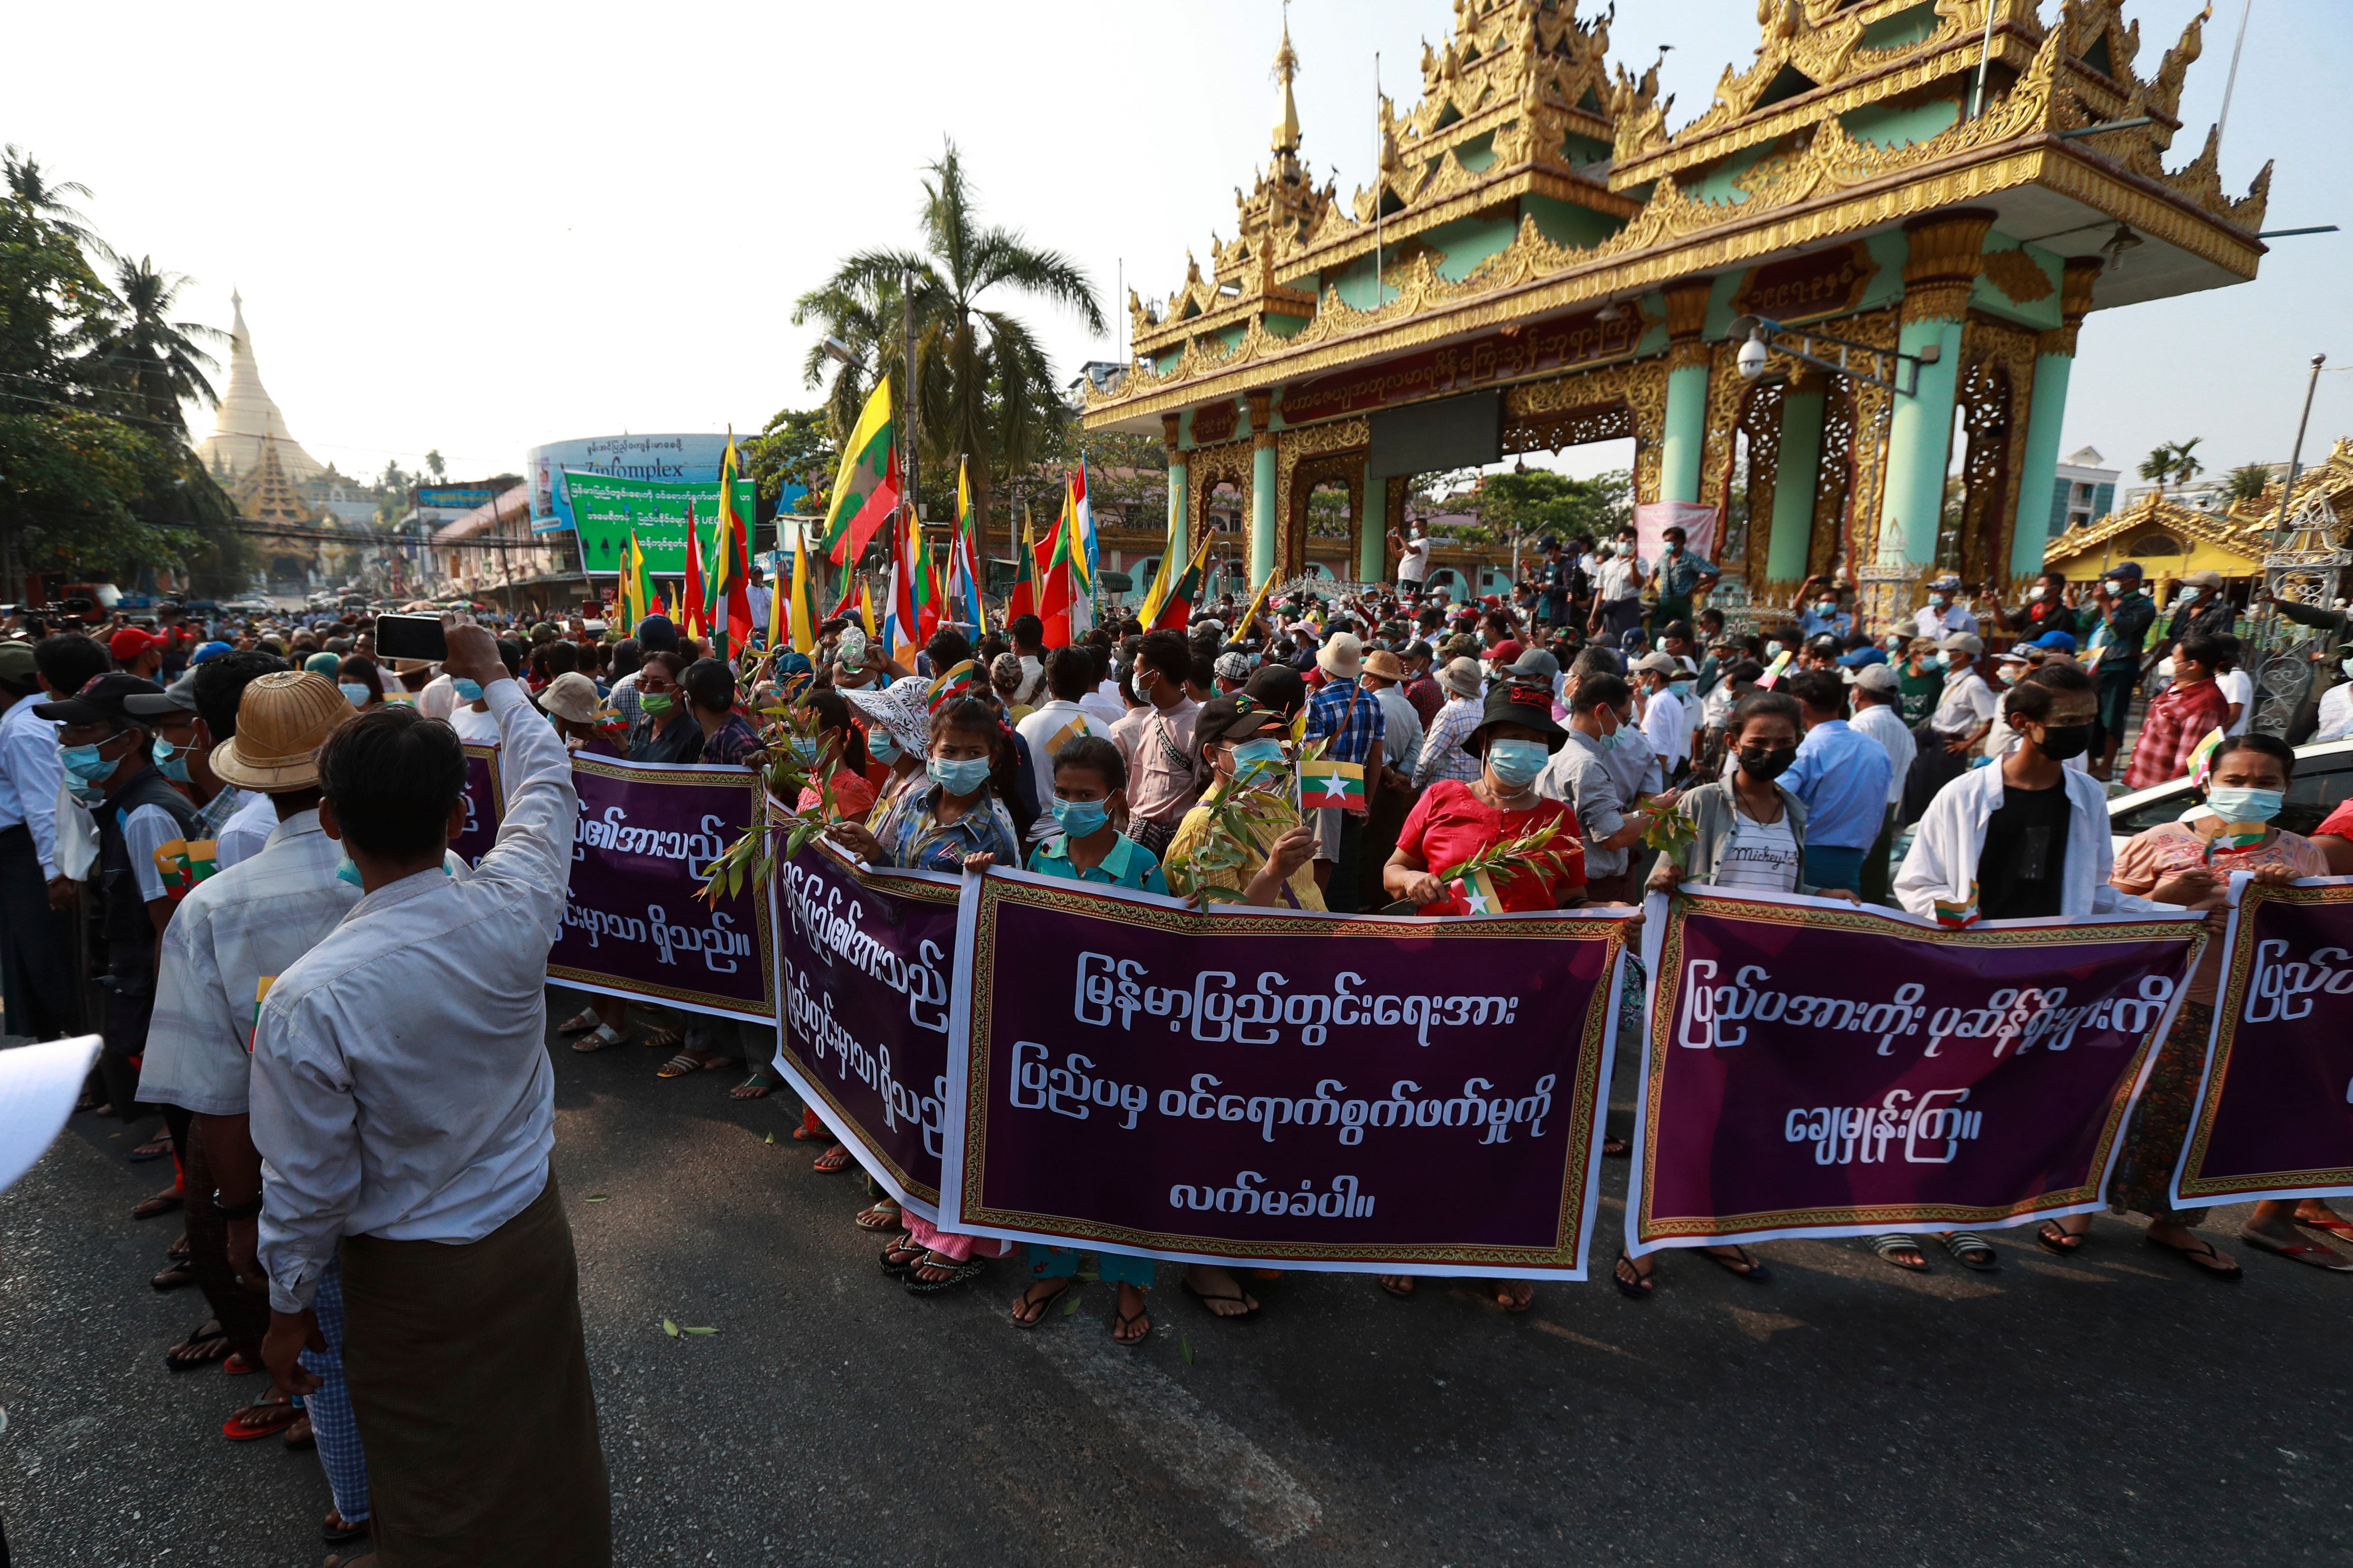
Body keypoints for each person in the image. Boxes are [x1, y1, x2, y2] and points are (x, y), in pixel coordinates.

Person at [248, 618, 607, 1564]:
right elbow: (547, 781)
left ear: (330, 818)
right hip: (530, 1236)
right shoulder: (515, 904)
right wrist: (494, 677)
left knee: (436, 1482)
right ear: (456, 817)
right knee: (548, 1449)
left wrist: (286, 1309)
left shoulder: (309, 999)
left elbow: (307, 1182)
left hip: (412, 1278)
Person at [141, 671, 374, 1522]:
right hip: (432, 1182)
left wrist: (242, 1218)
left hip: (299, 1186)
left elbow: (221, 1099)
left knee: (324, 1351)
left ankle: (356, 1508)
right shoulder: (435, 866)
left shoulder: (211, 910)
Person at [2088, 732, 2338, 1277]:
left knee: (2200, 1121)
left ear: (2285, 788)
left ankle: (2172, 1222)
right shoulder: (2159, 839)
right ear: (2208, 782)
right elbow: (2103, 920)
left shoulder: (2303, 853)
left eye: (2265, 783)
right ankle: (2076, 1211)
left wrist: (2291, 895)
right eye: (2236, 780)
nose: (2249, 791)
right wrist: (2167, 902)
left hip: (2242, 1016)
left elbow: (2321, 943)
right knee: (2115, 1105)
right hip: (2150, 1004)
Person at [1627, 690, 1844, 1296]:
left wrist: (1828, 901)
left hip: (1763, 994)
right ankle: (1642, 1240)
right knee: (1675, 1112)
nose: (1772, 750)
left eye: (1784, 741)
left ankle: (1713, 1227)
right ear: (1732, 742)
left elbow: (1789, 893)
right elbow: (1660, 885)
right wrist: (1667, 876)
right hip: (1698, 986)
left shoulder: (1796, 811)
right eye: (1760, 740)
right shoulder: (1700, 802)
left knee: (1739, 1117)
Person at [1378, 676, 1585, 1309]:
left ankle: (1501, 1250)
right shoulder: (1440, 799)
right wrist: (1411, 884)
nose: (1519, 751)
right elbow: (1393, 869)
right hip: (1434, 998)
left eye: (1532, 742)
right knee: (1426, 1121)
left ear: (1545, 752)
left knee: (1504, 1128)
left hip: (1523, 1007)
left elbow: (1574, 904)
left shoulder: (1556, 820)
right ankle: (1409, 1241)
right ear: (1485, 743)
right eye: (1508, 739)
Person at [824, 695, 1025, 1293]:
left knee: (953, 1104)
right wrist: (871, 850)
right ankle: (915, 1203)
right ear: (930, 752)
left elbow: (1005, 914)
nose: (958, 762)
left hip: (959, 989)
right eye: (947, 752)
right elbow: (898, 871)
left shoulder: (996, 826)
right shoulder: (911, 799)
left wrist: (985, 883)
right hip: (902, 976)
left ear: (992, 758)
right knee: (907, 1089)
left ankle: (956, 1236)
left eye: (971, 753)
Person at [1008, 735, 1169, 1344]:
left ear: (1115, 799)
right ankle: (1052, 1267)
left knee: (1124, 1160)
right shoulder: (1041, 857)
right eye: (1065, 793)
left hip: (1122, 1044)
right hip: (1053, 1041)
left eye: (1087, 795)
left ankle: (1130, 1280)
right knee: (1053, 1151)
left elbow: (1163, 955)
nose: (1073, 804)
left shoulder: (1142, 867)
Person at [37, 672, 201, 1121]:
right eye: (64, 732)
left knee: (184, 1113)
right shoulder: (121, 806)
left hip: (156, 996)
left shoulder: (147, 814)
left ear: (130, 740)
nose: (67, 744)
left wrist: (166, 1021)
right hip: (139, 986)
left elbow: (169, 928)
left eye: (83, 732)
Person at [0, 641, 80, 1045]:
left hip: (30, 856)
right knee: (39, 961)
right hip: (33, 853)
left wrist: (55, 873)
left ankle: (88, 1063)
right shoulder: (39, 716)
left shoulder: (20, 728)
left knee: (46, 960)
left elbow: (43, 805)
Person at [1778, 669, 1895, 893]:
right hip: (1853, 857)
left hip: (1806, 854)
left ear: (1799, 706)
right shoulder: (1875, 750)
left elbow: (1776, 799)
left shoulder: (1806, 750)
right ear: (1842, 700)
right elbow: (1879, 811)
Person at [1302, 632, 1384, 913]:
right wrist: (1365, 802)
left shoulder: (1317, 701)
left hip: (1325, 795)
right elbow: (1376, 759)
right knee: (1347, 866)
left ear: (1325, 669)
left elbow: (1316, 753)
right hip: (1357, 797)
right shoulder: (1373, 703)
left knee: (1322, 863)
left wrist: (1343, 794)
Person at [1107, 629, 1201, 858]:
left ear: (1154, 676)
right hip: (1139, 837)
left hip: (1175, 846)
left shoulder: (1197, 727)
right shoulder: (1150, 720)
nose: (1133, 676)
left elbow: (1204, 796)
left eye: (1137, 670)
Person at [1014, 647, 1114, 834]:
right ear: (1086, 686)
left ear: (1049, 684)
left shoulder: (1026, 726)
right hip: (1085, 833)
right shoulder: (1100, 729)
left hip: (1035, 835)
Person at [1844, 663, 1915, 906]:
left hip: (1859, 811)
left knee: (1852, 881)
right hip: (1886, 812)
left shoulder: (1859, 727)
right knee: (1873, 880)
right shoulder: (1903, 730)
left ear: (1859, 692)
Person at [2124, 634, 2232, 791]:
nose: (2169, 661)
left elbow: (2188, 761)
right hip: (2140, 781)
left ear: (2192, 665)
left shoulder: (2206, 704)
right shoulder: (2176, 687)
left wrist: (2168, 796)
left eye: (2173, 656)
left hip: (2157, 793)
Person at [2085, 562, 2157, 779]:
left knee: (2112, 717)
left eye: (2117, 580)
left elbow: (2120, 628)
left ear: (2132, 582)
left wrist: (2107, 605)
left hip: (2120, 665)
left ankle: (2106, 767)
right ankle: (2089, 763)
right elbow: (2082, 622)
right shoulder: (2106, 601)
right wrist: (2097, 604)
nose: (2111, 584)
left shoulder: (2143, 605)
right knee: (2089, 715)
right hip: (2095, 663)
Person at [1412, 656, 1485, 789]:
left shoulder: (1450, 712)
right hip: (1470, 791)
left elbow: (1428, 760)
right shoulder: (1480, 712)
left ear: (1450, 688)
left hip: (1445, 791)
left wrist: (1415, 783)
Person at [625, 651, 699, 764]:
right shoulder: (644, 725)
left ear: (679, 689)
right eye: (642, 683)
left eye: (657, 684)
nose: (647, 689)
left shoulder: (694, 736)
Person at [1648, 525, 1719, 635]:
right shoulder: (1665, 557)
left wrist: (1693, 589)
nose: (1667, 545)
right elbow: (1655, 569)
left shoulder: (1692, 559)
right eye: (1665, 542)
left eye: (1670, 541)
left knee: (1679, 637)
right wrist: (1651, 582)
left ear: (1680, 541)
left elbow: (1716, 573)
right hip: (1664, 602)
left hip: (1681, 603)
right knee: (1658, 634)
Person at [1588, 526, 1647, 643]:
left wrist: (1633, 565)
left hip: (1628, 609)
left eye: (1630, 542)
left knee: (1626, 644)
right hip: (1609, 609)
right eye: (1622, 541)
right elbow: (1601, 591)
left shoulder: (1641, 562)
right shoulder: (1608, 564)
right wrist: (1594, 615)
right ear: (1617, 543)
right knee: (1606, 644)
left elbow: (1639, 584)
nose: (1625, 545)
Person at [2165, 568, 2236, 646]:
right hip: (2173, 656)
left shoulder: (2222, 611)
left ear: (2210, 590)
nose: (2186, 589)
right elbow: (2171, 638)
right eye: (2187, 586)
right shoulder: (2184, 608)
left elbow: (2220, 645)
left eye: (2193, 586)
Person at [1912, 574, 1979, 641]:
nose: (1934, 594)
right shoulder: (1922, 614)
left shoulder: (1965, 619)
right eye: (1933, 590)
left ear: (1953, 593)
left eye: (1939, 591)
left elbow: (1973, 646)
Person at [1388, 517, 1432, 597]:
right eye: (1413, 528)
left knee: (1409, 602)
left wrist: (1400, 537)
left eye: (1416, 527)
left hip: (1413, 579)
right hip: (1403, 577)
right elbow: (1397, 554)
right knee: (1402, 600)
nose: (1414, 529)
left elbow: (1412, 551)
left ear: (1424, 528)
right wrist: (1391, 542)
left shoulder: (1424, 542)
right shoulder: (1412, 543)